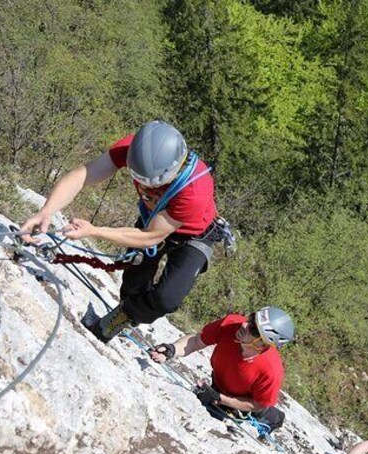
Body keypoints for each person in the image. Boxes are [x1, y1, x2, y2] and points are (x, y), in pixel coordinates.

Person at [20, 120, 224, 342]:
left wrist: (94, 231)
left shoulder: (195, 189)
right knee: (133, 284)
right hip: (153, 219)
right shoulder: (134, 151)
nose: (148, 186)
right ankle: (126, 310)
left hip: (195, 235)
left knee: (167, 298)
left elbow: (150, 237)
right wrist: (47, 210)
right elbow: (83, 175)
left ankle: (126, 317)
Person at [149, 306, 295, 436]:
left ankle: (275, 419)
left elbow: (258, 404)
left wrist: (219, 398)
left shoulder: (271, 370)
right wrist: (171, 349)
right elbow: (196, 341)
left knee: (265, 414)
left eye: (253, 329)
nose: (244, 324)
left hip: (245, 403)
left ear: (263, 343)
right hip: (220, 385)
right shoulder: (231, 324)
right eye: (251, 318)